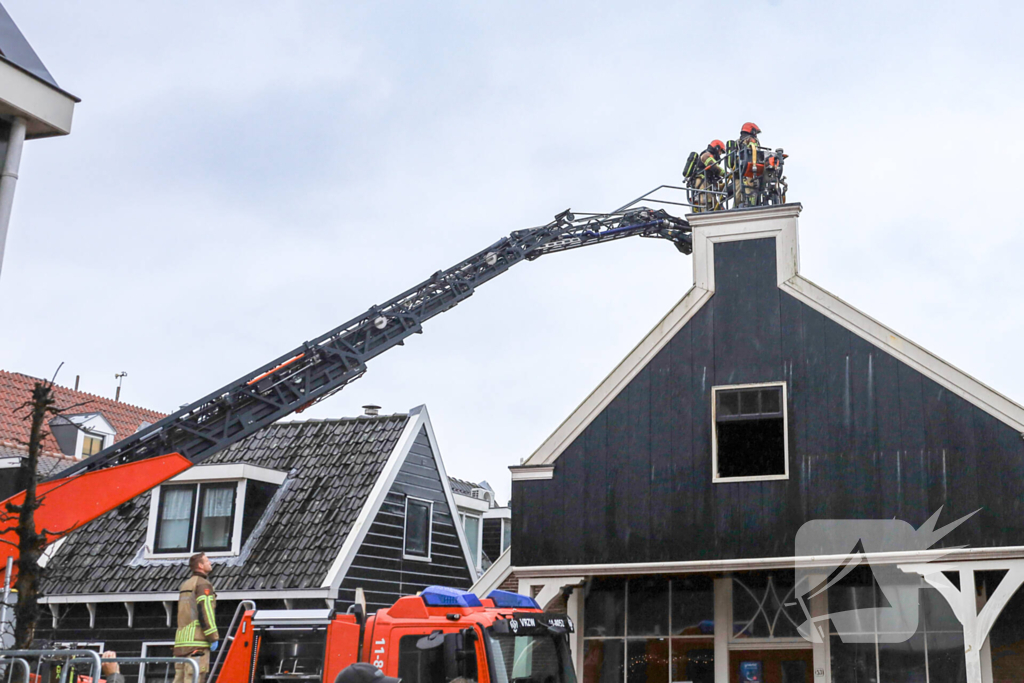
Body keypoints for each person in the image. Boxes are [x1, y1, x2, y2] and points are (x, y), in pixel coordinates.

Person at [173, 553, 219, 683]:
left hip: (181, 643)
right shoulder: (203, 585)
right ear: (200, 565)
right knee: (194, 678)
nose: (210, 563)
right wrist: (213, 637)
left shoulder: (185, 585)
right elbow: (206, 612)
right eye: (207, 561)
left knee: (179, 679)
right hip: (197, 643)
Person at [687, 140, 727, 212]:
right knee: (707, 201)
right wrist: (725, 173)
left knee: (714, 205)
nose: (720, 154)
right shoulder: (706, 155)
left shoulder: (711, 157)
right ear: (716, 148)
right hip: (701, 182)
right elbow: (713, 166)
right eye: (720, 151)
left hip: (706, 183)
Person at [734, 122, 763, 208]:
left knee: (739, 193)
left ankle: (735, 208)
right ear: (752, 131)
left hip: (739, 171)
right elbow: (755, 149)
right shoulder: (750, 140)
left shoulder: (738, 142)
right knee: (752, 187)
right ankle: (752, 205)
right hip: (750, 168)